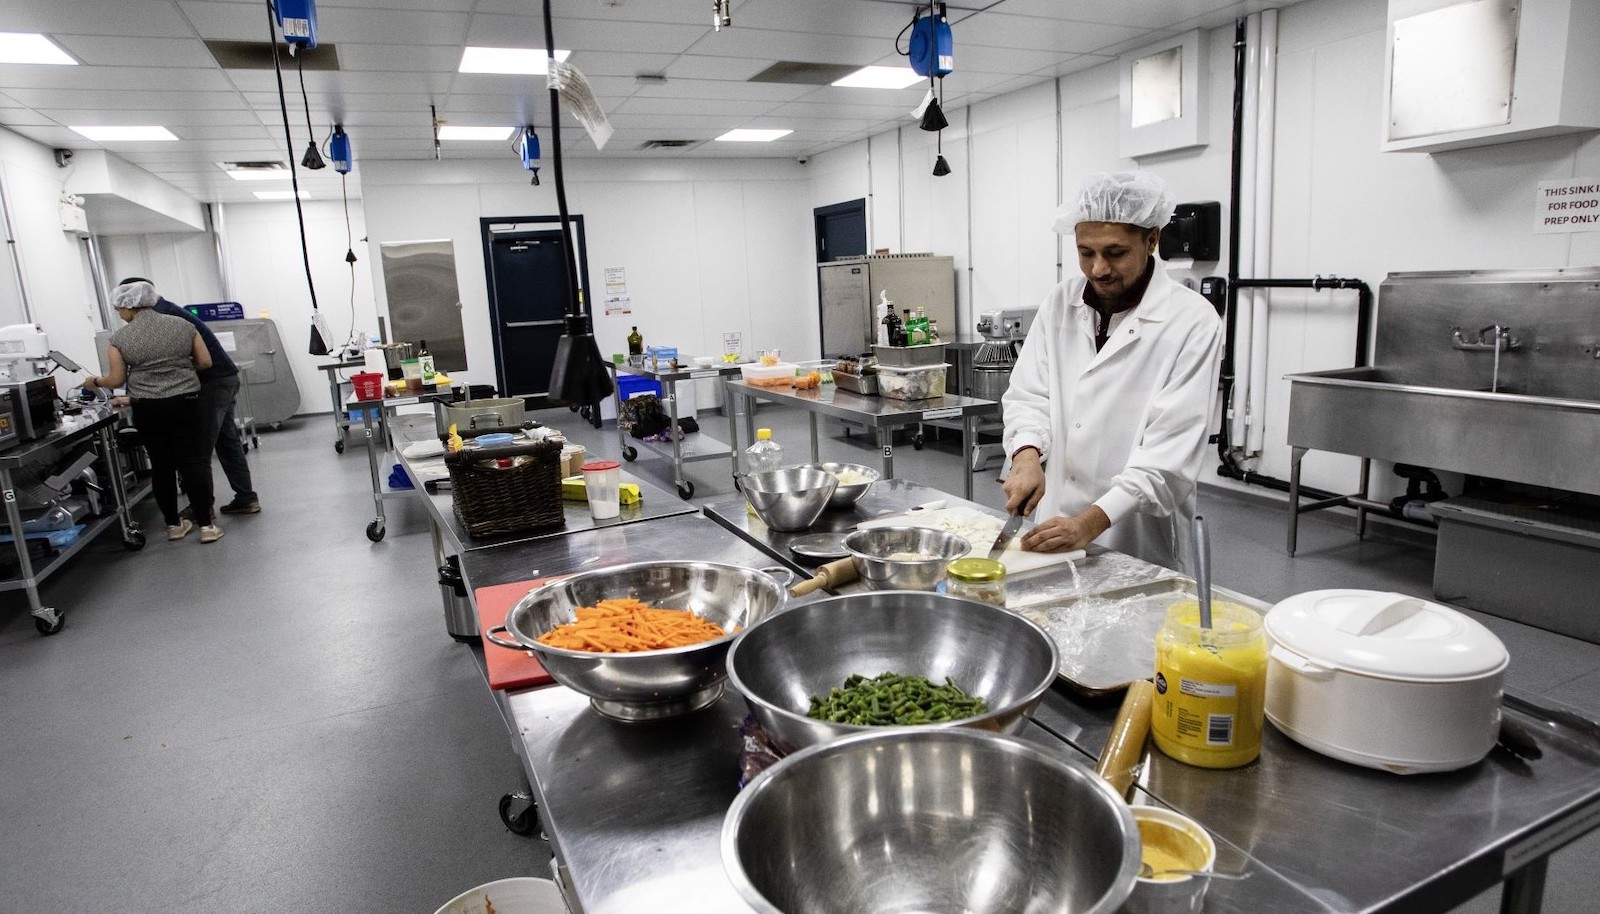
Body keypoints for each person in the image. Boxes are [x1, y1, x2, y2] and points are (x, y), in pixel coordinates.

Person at [1001, 171, 1223, 571]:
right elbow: (1029, 394)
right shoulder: (1060, 303)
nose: (1098, 269)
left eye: (1115, 253)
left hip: (1138, 535)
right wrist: (1027, 455)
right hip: (1054, 521)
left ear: (1152, 240)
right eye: (1086, 252)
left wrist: (1089, 524)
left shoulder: (1192, 321)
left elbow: (1169, 458)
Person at [83, 281, 223, 543]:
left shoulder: (120, 338)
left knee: (162, 465)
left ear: (128, 306)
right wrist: (179, 372)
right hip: (185, 403)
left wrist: (94, 382)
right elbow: (205, 362)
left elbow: (115, 380)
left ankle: (173, 525)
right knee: (192, 462)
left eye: (118, 308)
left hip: (148, 408)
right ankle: (206, 526)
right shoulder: (184, 325)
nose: (118, 313)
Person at [116, 277, 260, 516]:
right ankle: (246, 497)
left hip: (211, 383)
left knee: (198, 450)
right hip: (224, 377)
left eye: (122, 304)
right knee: (227, 441)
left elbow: (174, 363)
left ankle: (202, 509)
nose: (122, 311)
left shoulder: (164, 317)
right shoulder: (168, 311)